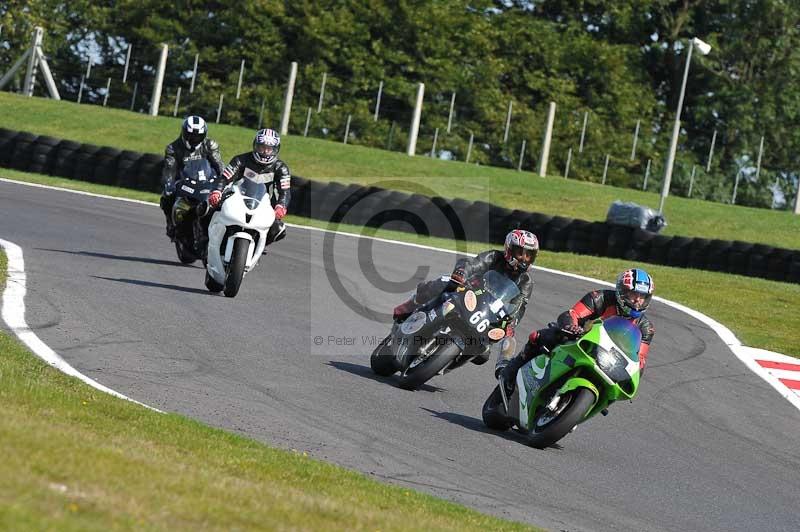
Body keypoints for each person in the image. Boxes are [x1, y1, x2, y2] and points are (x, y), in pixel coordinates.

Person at [497, 268, 655, 394]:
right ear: (622, 291)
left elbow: (639, 359)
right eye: (634, 294)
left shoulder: (645, 328)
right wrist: (571, 326)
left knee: (616, 390)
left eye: (643, 297)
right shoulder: (600, 298)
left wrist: (633, 373)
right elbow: (572, 314)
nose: (637, 300)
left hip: (610, 359)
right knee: (540, 336)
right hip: (579, 339)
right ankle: (510, 373)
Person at [392, 229, 539, 363]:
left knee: (484, 354)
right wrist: (462, 272)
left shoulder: (526, 282)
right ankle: (411, 304)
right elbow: (473, 264)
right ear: (509, 249)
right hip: (469, 291)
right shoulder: (494, 257)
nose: (524, 258)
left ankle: (448, 361)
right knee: (443, 283)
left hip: (488, 314)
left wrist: (511, 324)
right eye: (521, 253)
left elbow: (519, 307)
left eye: (529, 255)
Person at [209, 128, 290, 247]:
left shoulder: (281, 168)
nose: (265, 152)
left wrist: (281, 206)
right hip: (236, 198)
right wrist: (217, 191)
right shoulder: (240, 160)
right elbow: (224, 177)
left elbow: (285, 191)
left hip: (264, 204)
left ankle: (257, 244)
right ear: (255, 145)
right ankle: (205, 239)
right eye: (262, 147)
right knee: (208, 207)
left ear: (275, 150)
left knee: (279, 229)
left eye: (269, 149)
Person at [160, 116, 224, 239]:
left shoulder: (210, 145)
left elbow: (219, 165)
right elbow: (169, 168)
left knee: (223, 197)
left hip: (206, 180)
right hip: (184, 182)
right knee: (166, 196)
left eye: (198, 136)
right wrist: (169, 184)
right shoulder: (173, 148)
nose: (194, 139)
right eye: (191, 135)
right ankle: (171, 224)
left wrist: (224, 181)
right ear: (184, 133)